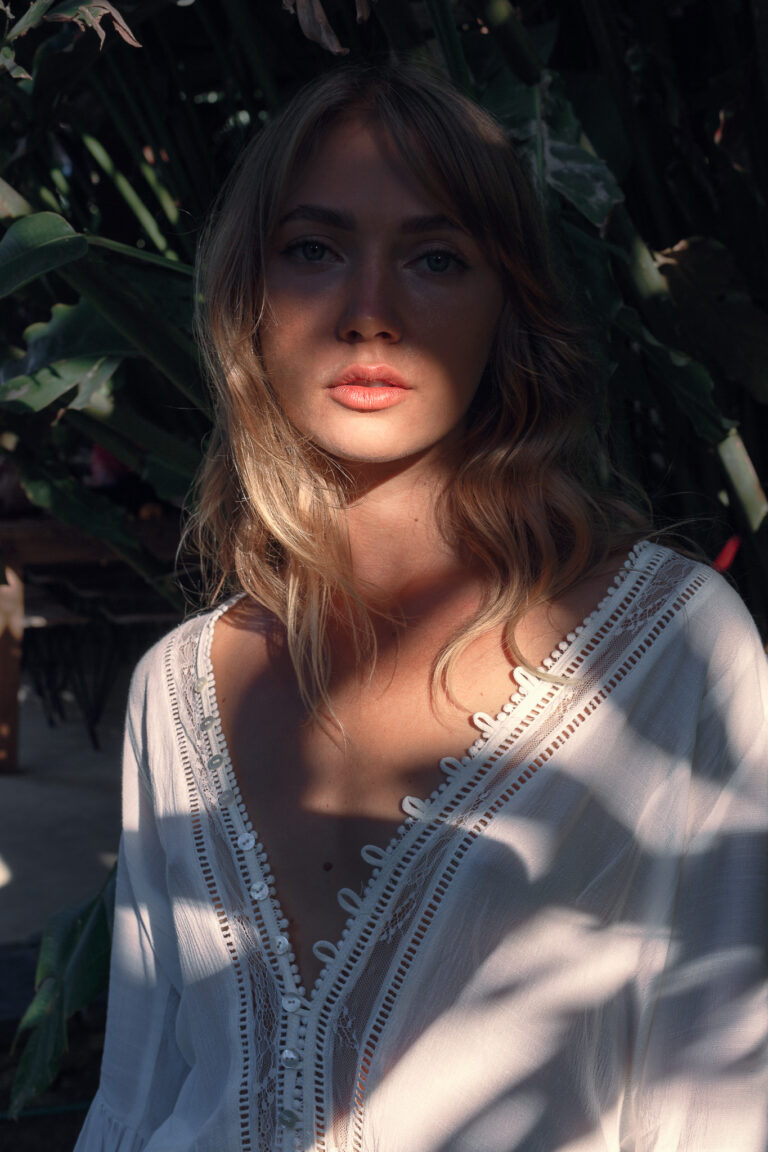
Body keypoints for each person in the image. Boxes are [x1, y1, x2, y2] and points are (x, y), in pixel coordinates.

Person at [74, 62, 768, 1152]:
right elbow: (136, 1100)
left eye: (435, 258)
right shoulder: (177, 685)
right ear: (250, 299)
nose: (368, 313)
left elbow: (717, 1101)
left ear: (511, 307)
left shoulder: (671, 647)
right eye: (314, 249)